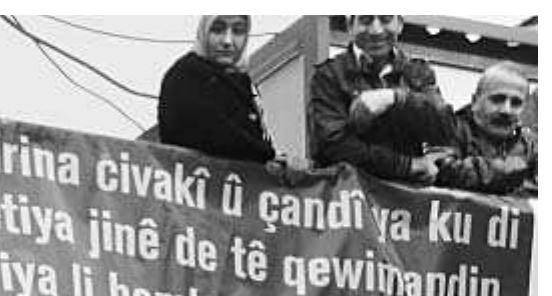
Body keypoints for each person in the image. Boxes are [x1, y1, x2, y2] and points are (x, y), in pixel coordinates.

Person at [308, 14, 456, 183]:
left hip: (408, 195)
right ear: (350, 26)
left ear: (399, 24)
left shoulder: (419, 72)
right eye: (366, 20)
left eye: (385, 19)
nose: (376, 30)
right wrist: (407, 166)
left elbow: (446, 130)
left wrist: (396, 98)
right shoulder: (329, 75)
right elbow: (332, 145)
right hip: (350, 193)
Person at [156, 17, 276, 164]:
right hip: (194, 176)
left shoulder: (242, 81)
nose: (227, 41)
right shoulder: (186, 73)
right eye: (218, 30)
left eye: (238, 31)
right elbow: (213, 132)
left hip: (241, 177)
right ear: (204, 32)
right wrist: (266, 155)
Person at [439, 61, 536, 194]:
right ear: (475, 101)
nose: (506, 110)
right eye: (497, 99)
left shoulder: (530, 147)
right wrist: (504, 170)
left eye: (516, 103)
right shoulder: (447, 130)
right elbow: (442, 170)